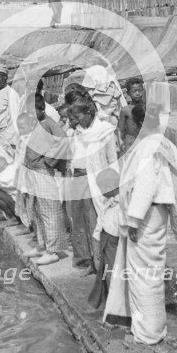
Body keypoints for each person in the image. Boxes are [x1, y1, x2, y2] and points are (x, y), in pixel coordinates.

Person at [104, 104, 177, 345]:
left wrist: (133, 220)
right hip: (153, 213)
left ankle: (148, 333)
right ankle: (146, 327)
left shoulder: (148, 147)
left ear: (138, 123)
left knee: (144, 275)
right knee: (147, 272)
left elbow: (145, 185)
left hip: (146, 216)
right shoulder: (161, 143)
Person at [67, 99, 118, 276]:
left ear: (88, 114)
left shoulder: (104, 132)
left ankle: (100, 263)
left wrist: (112, 185)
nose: (75, 120)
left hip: (96, 181)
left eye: (77, 116)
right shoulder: (76, 132)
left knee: (94, 219)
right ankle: (85, 258)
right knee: (78, 219)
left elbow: (112, 160)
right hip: (78, 178)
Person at [21, 94, 69, 266]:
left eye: (35, 111)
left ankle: (53, 250)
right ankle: (42, 245)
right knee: (36, 210)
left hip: (42, 171)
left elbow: (63, 140)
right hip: (32, 171)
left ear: (42, 110)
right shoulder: (36, 124)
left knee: (49, 211)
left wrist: (50, 160)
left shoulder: (49, 123)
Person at [87, 167, 121, 310]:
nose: (100, 192)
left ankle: (116, 308)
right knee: (106, 276)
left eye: (101, 188)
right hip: (106, 242)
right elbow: (98, 227)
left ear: (109, 187)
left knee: (115, 277)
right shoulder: (107, 203)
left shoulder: (122, 203)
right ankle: (109, 305)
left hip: (115, 243)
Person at [117, 77, 146, 153]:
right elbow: (121, 129)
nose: (137, 93)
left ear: (143, 90)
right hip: (131, 142)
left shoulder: (148, 108)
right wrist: (121, 143)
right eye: (134, 91)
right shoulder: (125, 110)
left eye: (139, 90)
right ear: (128, 93)